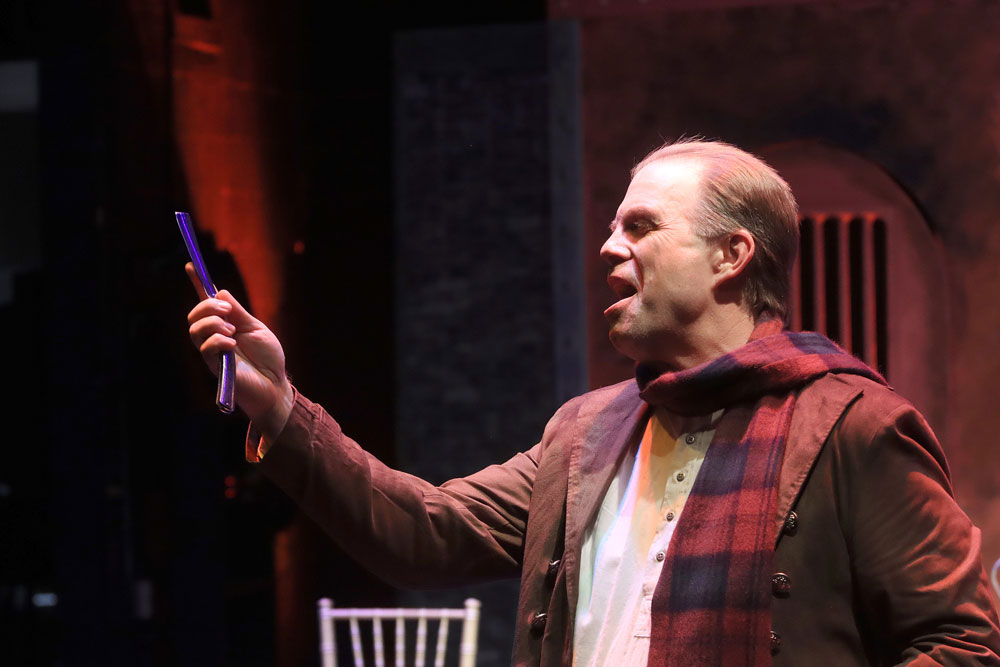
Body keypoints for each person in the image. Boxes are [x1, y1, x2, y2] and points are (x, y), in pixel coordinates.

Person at [186, 139, 1000, 666]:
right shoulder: (587, 434)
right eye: (612, 227)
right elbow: (422, 531)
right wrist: (283, 409)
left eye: (640, 227)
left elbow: (961, 641)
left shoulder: (851, 427)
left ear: (730, 254)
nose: (610, 246)